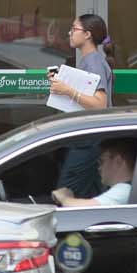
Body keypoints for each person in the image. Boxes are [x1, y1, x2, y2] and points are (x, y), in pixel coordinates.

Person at [48, 14, 117, 196]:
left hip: (89, 140)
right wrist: (61, 84)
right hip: (91, 138)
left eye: (74, 29)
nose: (70, 33)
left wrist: (67, 90)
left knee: (64, 192)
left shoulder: (93, 61)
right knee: (94, 194)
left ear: (87, 34)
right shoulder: (89, 60)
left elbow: (100, 104)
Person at [53, 138, 137, 207]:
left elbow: (86, 208)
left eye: (101, 161)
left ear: (118, 161)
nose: (98, 167)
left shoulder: (124, 190)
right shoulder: (133, 187)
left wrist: (64, 197)